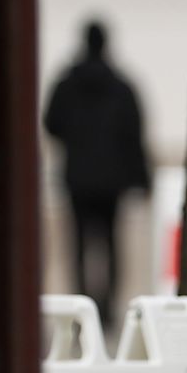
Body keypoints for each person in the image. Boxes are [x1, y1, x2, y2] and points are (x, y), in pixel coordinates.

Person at [42, 20, 149, 322]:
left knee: (77, 246)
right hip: (112, 181)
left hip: (77, 178)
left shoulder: (66, 84)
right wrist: (141, 179)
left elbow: (51, 123)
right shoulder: (121, 86)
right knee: (111, 244)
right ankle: (106, 309)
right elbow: (134, 134)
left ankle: (81, 305)